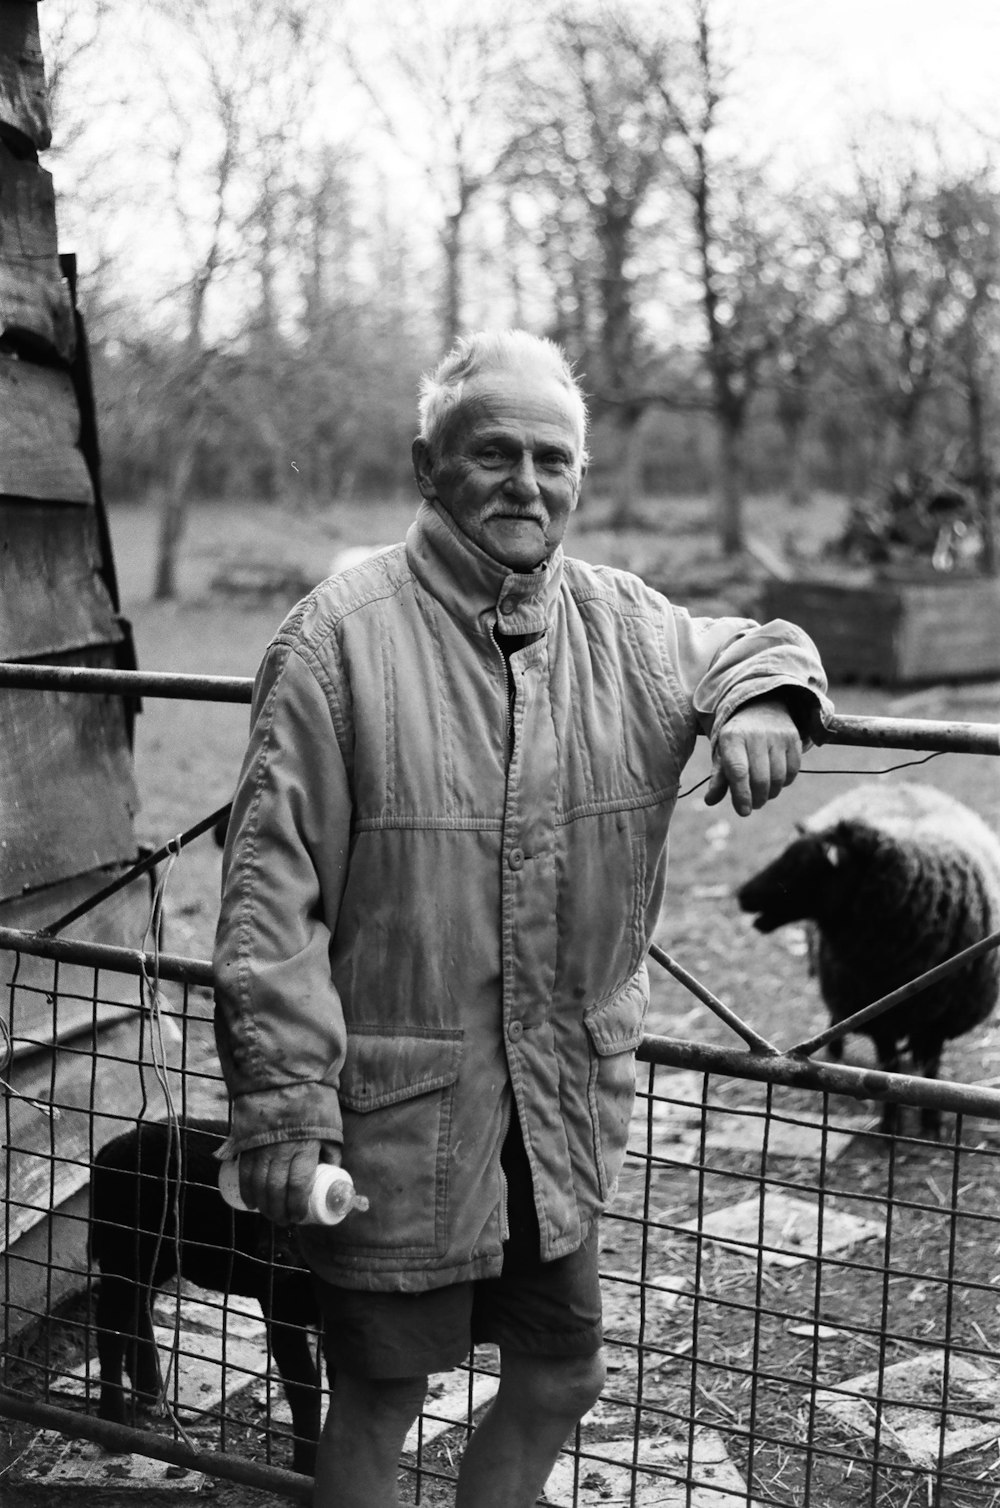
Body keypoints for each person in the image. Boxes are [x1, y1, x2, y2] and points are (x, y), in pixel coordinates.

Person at [213, 328, 831, 1508]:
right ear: (426, 462)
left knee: (562, 1370)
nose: (526, 481)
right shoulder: (337, 642)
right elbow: (269, 895)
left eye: (553, 457)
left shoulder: (628, 626)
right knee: (383, 1392)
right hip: (398, 1108)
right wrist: (287, 1109)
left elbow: (751, 640)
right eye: (492, 451)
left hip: (551, 1106)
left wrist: (768, 693)